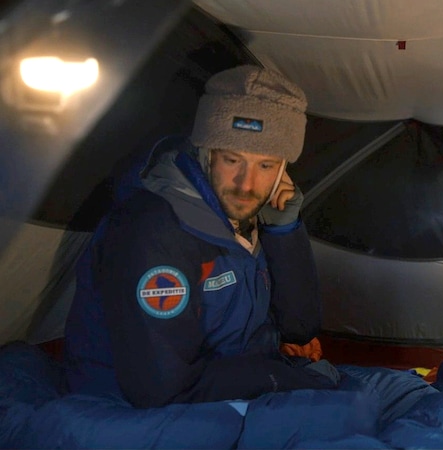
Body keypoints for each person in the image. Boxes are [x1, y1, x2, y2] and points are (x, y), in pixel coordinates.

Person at [64, 64, 339, 408]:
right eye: (232, 160)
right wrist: (282, 377)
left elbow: (300, 327)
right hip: (126, 413)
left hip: (223, 390)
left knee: (375, 397)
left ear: (283, 168)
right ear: (206, 152)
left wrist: (284, 230)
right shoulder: (156, 229)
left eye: (266, 165)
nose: (246, 185)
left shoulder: (245, 215)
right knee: (349, 409)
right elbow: (162, 389)